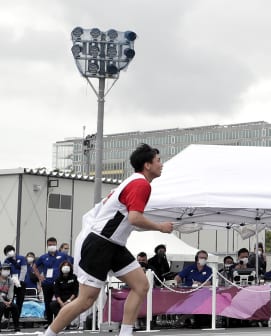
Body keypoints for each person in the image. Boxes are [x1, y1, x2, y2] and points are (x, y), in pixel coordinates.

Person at [41, 143, 174, 336]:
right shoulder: (140, 184)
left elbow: (131, 220)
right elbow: (134, 218)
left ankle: (126, 333)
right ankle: (49, 334)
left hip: (114, 245)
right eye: (158, 160)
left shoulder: (134, 183)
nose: (161, 164)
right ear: (147, 165)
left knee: (141, 285)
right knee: (86, 300)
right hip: (100, 244)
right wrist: (160, 227)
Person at [37, 237, 72, 325]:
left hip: (59, 283)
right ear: (47, 246)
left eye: (53, 244)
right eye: (50, 245)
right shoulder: (43, 257)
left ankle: (60, 322)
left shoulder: (62, 255)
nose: (52, 246)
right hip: (47, 283)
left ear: (56, 245)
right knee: (47, 303)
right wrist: (40, 277)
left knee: (60, 302)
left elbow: (68, 266)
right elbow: (34, 266)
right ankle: (49, 322)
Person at [3, 245, 26, 332]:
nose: (9, 252)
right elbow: (5, 272)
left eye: (10, 250)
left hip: (21, 283)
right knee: (9, 301)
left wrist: (19, 281)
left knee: (19, 302)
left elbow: (24, 270)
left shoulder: (21, 258)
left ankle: (17, 321)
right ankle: (7, 319)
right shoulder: (6, 260)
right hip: (10, 283)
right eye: (7, 251)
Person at [0, 263, 21, 333]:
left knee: (14, 306)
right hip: (0, 299)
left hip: (6, 299)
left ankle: (16, 326)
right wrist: (4, 302)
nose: (7, 270)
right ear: (0, 271)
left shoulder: (10, 281)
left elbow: (10, 292)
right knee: (2, 306)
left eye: (8, 269)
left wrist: (10, 300)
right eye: (5, 269)